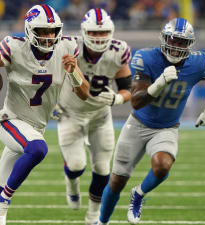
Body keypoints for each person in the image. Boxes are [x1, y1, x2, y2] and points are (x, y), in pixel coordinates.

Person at [0, 4, 90, 225]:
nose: (49, 36)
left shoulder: (67, 48)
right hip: (11, 121)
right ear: (30, 30)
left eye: (52, 31)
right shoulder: (14, 47)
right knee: (38, 148)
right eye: (43, 31)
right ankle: (3, 202)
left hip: (35, 127)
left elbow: (84, 93)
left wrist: (73, 74)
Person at [96, 18, 205, 225]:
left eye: (182, 42)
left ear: (189, 44)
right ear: (164, 39)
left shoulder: (198, 62)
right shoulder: (147, 57)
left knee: (163, 165)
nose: (176, 45)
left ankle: (139, 194)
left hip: (167, 127)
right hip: (137, 124)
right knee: (117, 181)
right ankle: (101, 222)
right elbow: (136, 102)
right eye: (173, 40)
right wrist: (159, 83)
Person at [56, 8, 132, 225]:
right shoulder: (69, 47)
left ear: (111, 31)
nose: (99, 38)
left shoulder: (118, 51)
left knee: (102, 167)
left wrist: (117, 99)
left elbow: (128, 88)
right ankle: (71, 182)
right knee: (77, 165)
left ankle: (92, 216)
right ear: (83, 32)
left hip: (100, 115)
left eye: (103, 33)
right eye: (94, 33)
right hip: (70, 112)